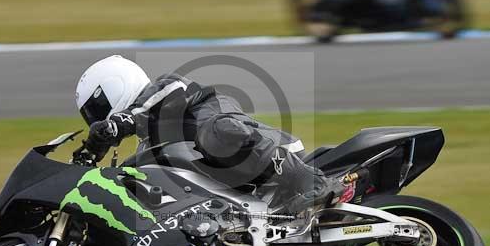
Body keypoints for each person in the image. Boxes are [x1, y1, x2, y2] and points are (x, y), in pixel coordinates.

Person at [74, 55, 343, 215]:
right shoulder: (150, 144)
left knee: (214, 132)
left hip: (263, 148)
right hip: (244, 190)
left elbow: (149, 107)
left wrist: (118, 124)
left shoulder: (166, 88)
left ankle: (309, 180)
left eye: (96, 111)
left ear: (111, 88)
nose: (96, 119)